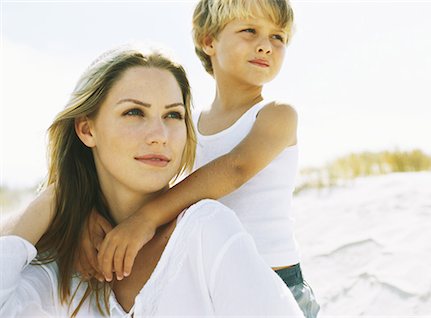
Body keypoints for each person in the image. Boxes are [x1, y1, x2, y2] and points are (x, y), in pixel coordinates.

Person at [0, 46, 303, 317]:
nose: (159, 135)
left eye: (173, 115)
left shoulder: (204, 231)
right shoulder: (63, 269)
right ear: (86, 129)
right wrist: (56, 198)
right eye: (134, 112)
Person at [81, 1, 320, 317]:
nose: (266, 46)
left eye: (278, 37)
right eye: (250, 30)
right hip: (206, 274)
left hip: (276, 279)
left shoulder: (276, 115)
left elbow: (235, 169)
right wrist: (90, 213)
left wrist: (146, 219)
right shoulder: (186, 124)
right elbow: (152, 180)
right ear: (209, 41)